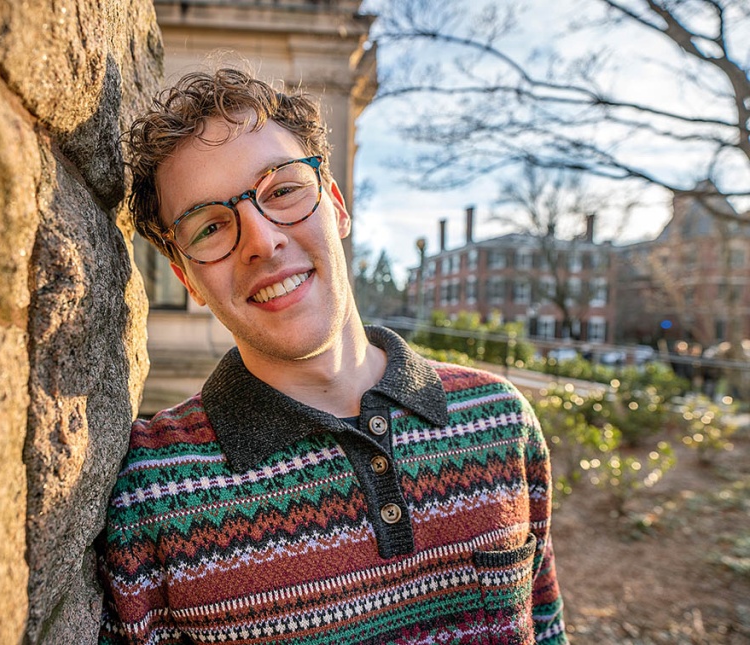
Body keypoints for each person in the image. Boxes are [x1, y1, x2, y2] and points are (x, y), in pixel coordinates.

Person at [97, 67, 568, 645]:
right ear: (186, 277)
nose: (262, 241)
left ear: (337, 206)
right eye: (210, 226)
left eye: (284, 191)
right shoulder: (150, 493)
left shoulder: (500, 419)